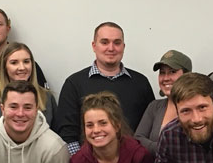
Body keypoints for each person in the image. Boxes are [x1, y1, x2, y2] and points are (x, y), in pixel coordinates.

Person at [56, 22, 155, 154]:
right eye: (104, 42)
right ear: (94, 46)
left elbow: (150, 129)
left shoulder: (141, 82)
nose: (111, 48)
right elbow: (67, 135)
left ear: (123, 47)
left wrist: (140, 161)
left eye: (117, 42)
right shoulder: (74, 84)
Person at [0, 42, 57, 133]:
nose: (22, 67)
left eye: (26, 61)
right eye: (14, 63)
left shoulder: (46, 97)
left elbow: (57, 136)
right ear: (4, 67)